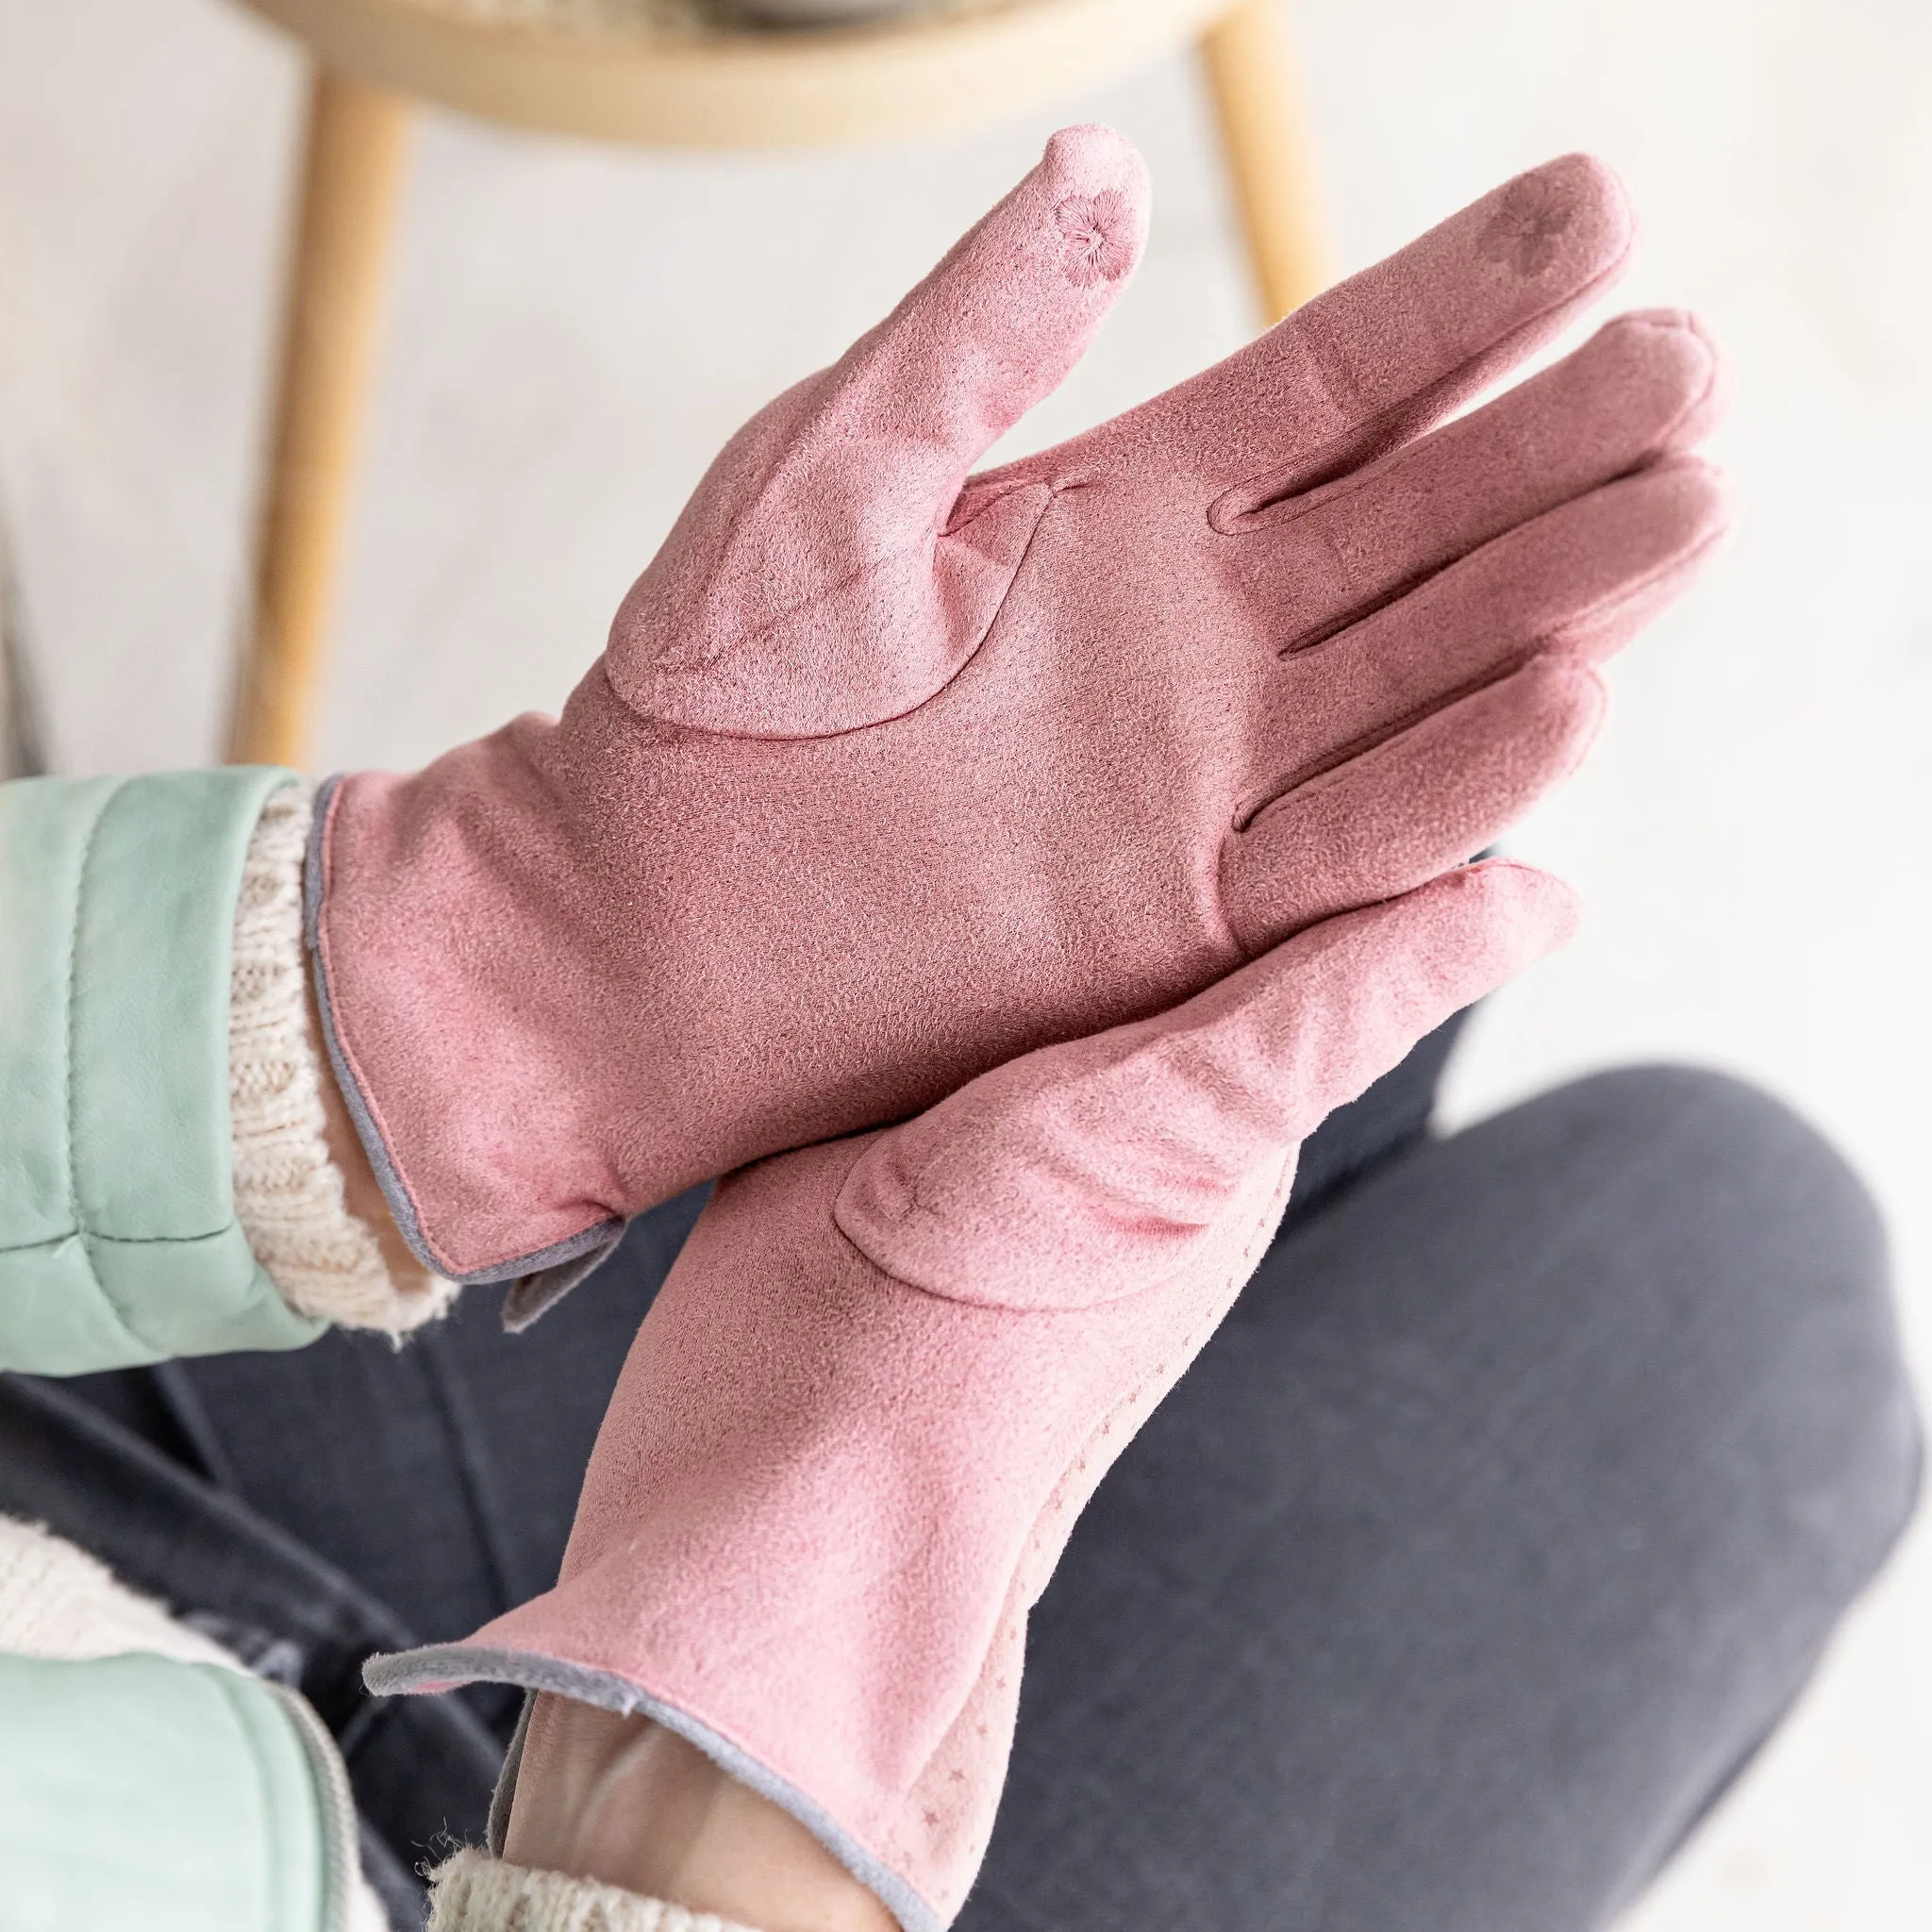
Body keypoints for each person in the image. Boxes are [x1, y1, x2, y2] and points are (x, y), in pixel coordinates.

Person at [0, 132, 1915, 1932]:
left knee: (1249, 885)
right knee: (1723, 1253)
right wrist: (702, 1820)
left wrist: (468, 979)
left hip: (66, 1531)